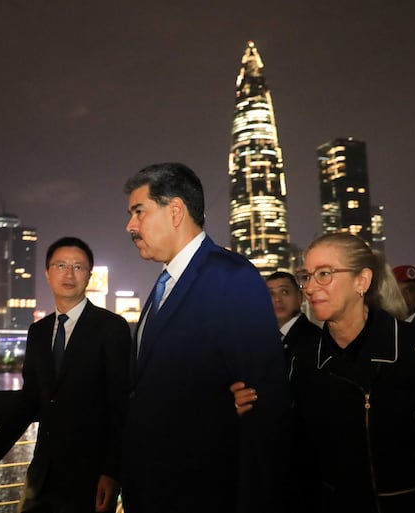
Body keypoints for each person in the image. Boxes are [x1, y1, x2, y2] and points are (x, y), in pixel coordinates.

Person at [120, 162, 290, 513]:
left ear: (176, 211)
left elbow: (265, 404)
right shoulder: (163, 285)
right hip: (153, 487)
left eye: (139, 212)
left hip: (203, 491)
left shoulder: (232, 277)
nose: (130, 226)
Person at [236, 233, 415, 512]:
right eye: (306, 276)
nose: (310, 287)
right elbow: (294, 445)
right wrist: (245, 408)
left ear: (362, 281)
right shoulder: (306, 360)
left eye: (324, 274)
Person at [0, 236, 131, 513]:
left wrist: (112, 472)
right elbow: (31, 399)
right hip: (42, 473)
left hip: (91, 475)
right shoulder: (38, 332)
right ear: (48, 273)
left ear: (89, 275)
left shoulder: (111, 327)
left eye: (78, 267)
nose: (69, 273)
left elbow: (120, 405)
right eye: (61, 265)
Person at [232, 271, 322, 416]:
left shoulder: (315, 340)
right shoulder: (257, 341)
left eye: (284, 292)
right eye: (270, 294)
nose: (277, 300)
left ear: (300, 297)